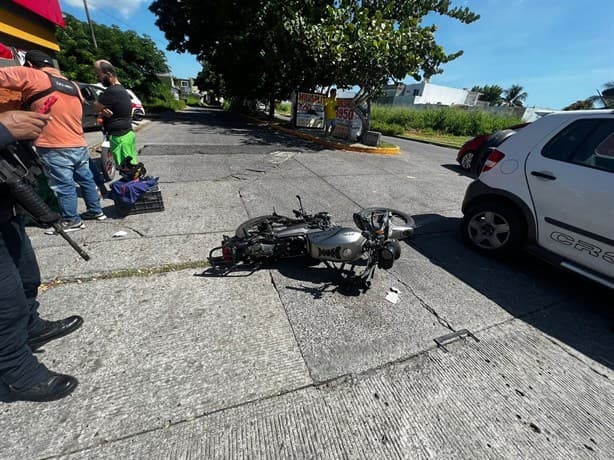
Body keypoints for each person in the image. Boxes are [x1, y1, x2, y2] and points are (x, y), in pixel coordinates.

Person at [0, 110, 83, 402]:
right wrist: (3, 129)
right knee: (4, 302)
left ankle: (31, 328)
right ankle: (18, 373)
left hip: (5, 205)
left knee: (26, 277)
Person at [0, 50, 107, 233]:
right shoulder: (73, 85)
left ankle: (72, 220)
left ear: (31, 65)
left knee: (63, 185)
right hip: (78, 142)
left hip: (54, 144)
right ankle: (96, 211)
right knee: (86, 179)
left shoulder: (33, 75)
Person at [93, 60, 138, 166]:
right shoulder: (122, 90)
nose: (98, 79)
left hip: (120, 137)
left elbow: (95, 107)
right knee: (131, 167)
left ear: (108, 74)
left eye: (99, 75)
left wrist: (100, 109)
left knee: (127, 169)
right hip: (126, 134)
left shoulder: (112, 91)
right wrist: (103, 111)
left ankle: (133, 182)